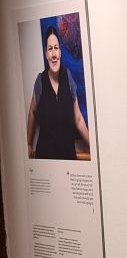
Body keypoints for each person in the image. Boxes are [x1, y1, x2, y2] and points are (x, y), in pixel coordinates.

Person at [26, 25, 90, 159]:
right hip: (45, 162)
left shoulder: (69, 78)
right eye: (50, 49)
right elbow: (32, 112)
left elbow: (78, 119)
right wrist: (28, 143)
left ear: (60, 52)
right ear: (46, 53)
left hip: (68, 162)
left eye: (56, 48)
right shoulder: (40, 81)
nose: (54, 54)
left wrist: (94, 146)